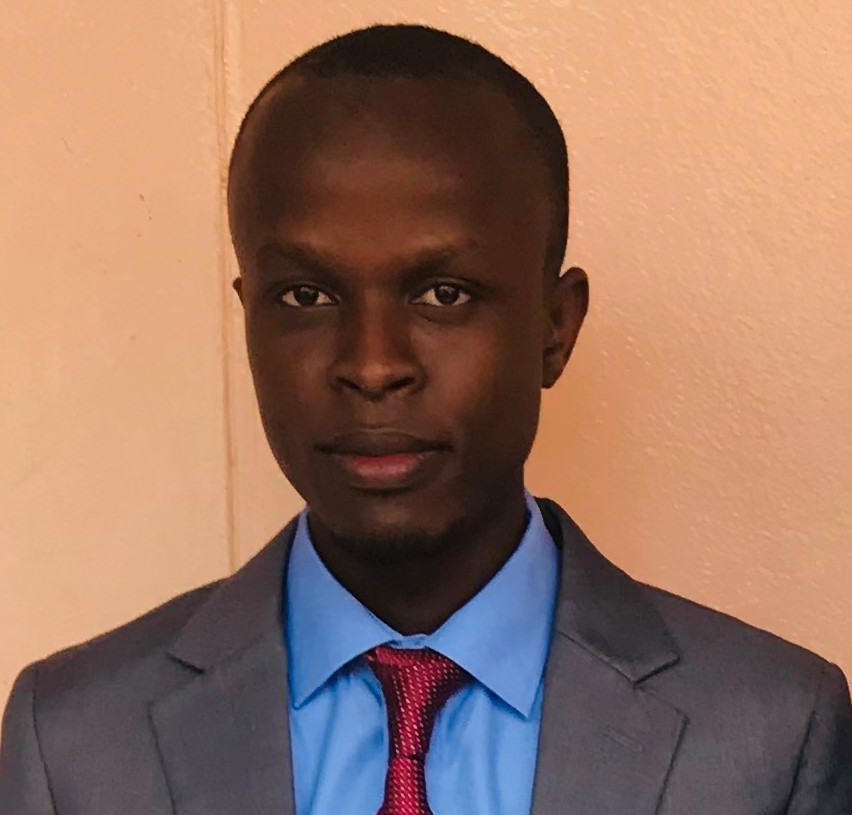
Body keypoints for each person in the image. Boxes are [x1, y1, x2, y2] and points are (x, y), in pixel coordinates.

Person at [1, 23, 850, 815]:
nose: (373, 365)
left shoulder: (772, 733)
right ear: (248, 313)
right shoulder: (73, 741)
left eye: (444, 294)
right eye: (305, 296)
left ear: (556, 328)